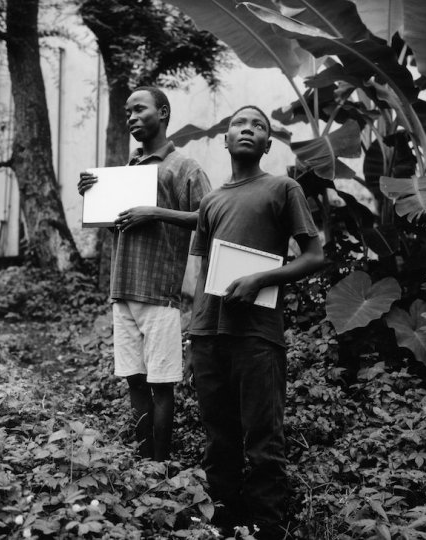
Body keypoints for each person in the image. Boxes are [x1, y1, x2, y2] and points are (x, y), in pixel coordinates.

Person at [186, 105, 324, 539]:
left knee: (264, 441)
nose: (247, 129)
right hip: (208, 335)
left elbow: (315, 256)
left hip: (257, 337)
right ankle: (226, 524)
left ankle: (267, 528)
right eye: (238, 124)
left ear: (268, 143)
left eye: (258, 126)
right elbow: (202, 270)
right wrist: (194, 331)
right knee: (219, 440)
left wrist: (260, 279)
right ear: (225, 140)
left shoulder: (283, 188)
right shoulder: (211, 201)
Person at [78, 86, 211, 461]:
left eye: (140, 109)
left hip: (160, 291)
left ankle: (161, 463)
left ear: (163, 112)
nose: (131, 117)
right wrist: (93, 196)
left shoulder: (184, 166)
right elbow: (116, 226)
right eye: (127, 112)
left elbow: (210, 216)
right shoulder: (129, 169)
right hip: (123, 288)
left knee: (161, 383)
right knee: (134, 378)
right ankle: (143, 457)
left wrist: (155, 212)